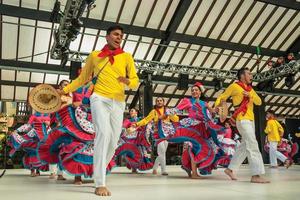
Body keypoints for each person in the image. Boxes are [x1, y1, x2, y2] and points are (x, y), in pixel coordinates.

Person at [59, 25, 139, 196]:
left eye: (121, 36)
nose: (119, 38)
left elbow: (135, 81)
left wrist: (127, 81)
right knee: (103, 133)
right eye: (116, 34)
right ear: (107, 36)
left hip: (118, 101)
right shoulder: (95, 56)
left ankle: (97, 170)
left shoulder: (126, 57)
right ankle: (100, 182)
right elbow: (82, 78)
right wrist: (65, 91)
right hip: (99, 98)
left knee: (114, 140)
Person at [215, 67, 269, 183]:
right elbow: (222, 97)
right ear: (242, 76)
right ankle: (256, 175)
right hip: (242, 119)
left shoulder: (250, 90)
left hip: (251, 120)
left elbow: (259, 101)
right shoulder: (234, 86)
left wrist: (250, 96)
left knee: (245, 146)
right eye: (249, 74)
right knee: (253, 144)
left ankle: (230, 169)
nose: (251, 76)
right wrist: (218, 107)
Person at [134, 97, 179, 176]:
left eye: (160, 100)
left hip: (167, 133)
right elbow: (146, 120)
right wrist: (137, 124)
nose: (159, 102)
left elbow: (176, 119)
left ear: (163, 102)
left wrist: (170, 114)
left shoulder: (168, 110)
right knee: (162, 152)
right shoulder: (154, 112)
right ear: (156, 102)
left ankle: (154, 168)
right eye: (157, 101)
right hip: (157, 133)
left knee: (162, 153)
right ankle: (163, 170)